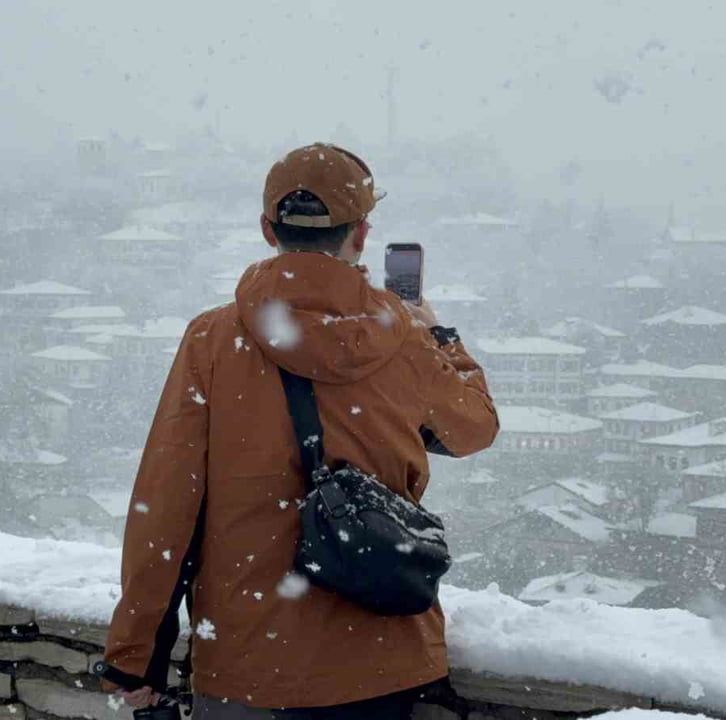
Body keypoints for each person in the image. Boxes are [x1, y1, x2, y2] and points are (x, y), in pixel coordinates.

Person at [102, 143, 500, 719]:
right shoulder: (403, 340)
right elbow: (474, 429)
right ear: (361, 235)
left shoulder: (213, 341)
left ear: (269, 229)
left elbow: (167, 508)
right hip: (381, 658)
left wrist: (136, 656)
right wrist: (440, 339)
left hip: (250, 664)